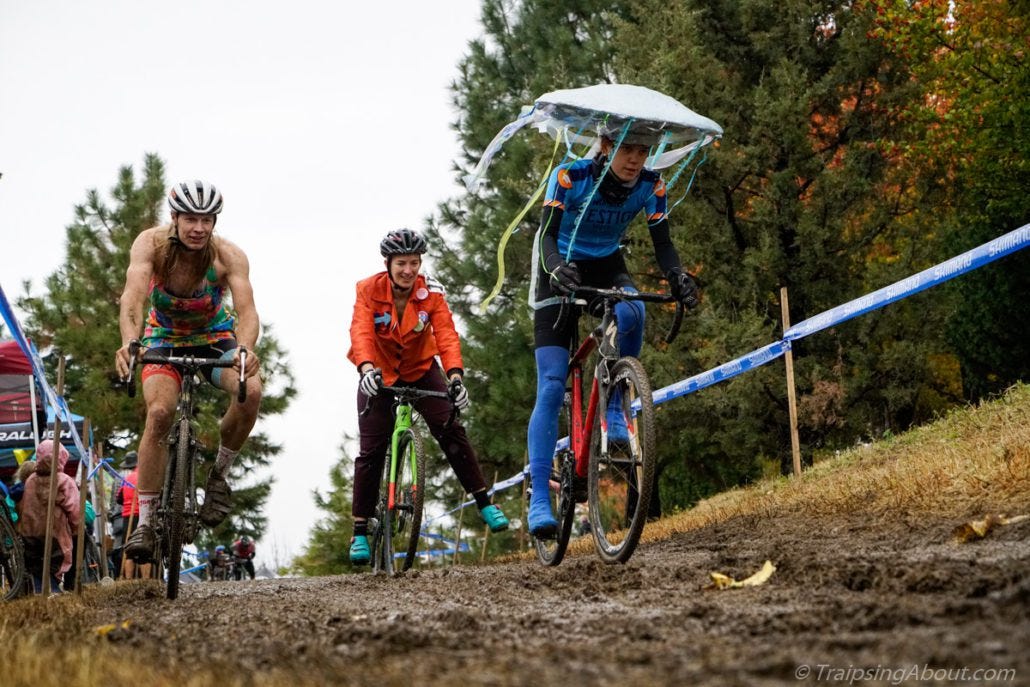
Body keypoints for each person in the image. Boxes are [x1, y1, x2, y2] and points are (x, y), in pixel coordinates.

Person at [525, 127, 701, 537]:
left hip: (606, 262)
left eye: (644, 151)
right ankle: (538, 497)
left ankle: (616, 403)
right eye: (628, 149)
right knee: (552, 384)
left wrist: (677, 276)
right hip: (559, 263)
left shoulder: (652, 185)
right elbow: (547, 235)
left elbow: (663, 244)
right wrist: (555, 268)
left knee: (634, 309)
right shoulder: (571, 177)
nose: (636, 159)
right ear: (606, 146)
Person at [114, 180, 262, 563]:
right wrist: (130, 342)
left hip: (214, 336)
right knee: (160, 413)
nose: (198, 227)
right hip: (163, 336)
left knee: (252, 390)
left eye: (206, 219)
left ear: (214, 221)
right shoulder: (151, 245)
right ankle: (145, 523)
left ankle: (218, 477)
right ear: (175, 218)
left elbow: (247, 312)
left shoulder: (228, 256)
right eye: (191, 219)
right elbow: (133, 297)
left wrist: (245, 350)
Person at [346, 228, 510, 565]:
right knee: (371, 449)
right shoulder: (367, 289)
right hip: (378, 372)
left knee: (450, 427)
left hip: (421, 368)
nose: (409, 270)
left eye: (415, 263)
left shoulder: (431, 292)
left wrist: (455, 377)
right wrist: (365, 369)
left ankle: (484, 502)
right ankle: (360, 529)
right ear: (388, 264)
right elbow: (360, 330)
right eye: (402, 263)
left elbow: (446, 335)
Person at [17, 439, 79, 593]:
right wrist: (77, 527)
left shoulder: (30, 480)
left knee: (36, 563)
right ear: (61, 458)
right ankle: (51, 590)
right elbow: (75, 509)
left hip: (31, 531)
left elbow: (26, 505)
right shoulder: (64, 481)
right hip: (55, 531)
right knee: (54, 562)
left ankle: (40, 590)